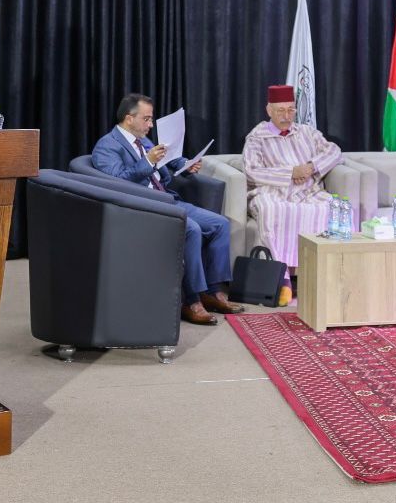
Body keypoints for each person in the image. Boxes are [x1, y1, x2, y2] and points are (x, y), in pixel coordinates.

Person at [91, 94, 241, 326]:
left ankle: (214, 292)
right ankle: (191, 301)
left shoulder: (143, 140)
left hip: (168, 200)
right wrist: (147, 162)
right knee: (191, 229)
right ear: (129, 119)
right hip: (143, 207)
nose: (151, 125)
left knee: (220, 224)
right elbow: (116, 182)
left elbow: (169, 157)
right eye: (146, 119)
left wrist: (185, 164)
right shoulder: (107, 146)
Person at [241, 84, 342, 306]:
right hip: (272, 190)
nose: (286, 116)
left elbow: (334, 151)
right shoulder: (257, 137)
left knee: (334, 208)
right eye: (280, 111)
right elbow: (252, 171)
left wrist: (311, 167)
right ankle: (281, 279)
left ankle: (327, 275)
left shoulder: (307, 132)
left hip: (307, 190)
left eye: (290, 110)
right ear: (269, 110)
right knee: (272, 210)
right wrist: (290, 173)